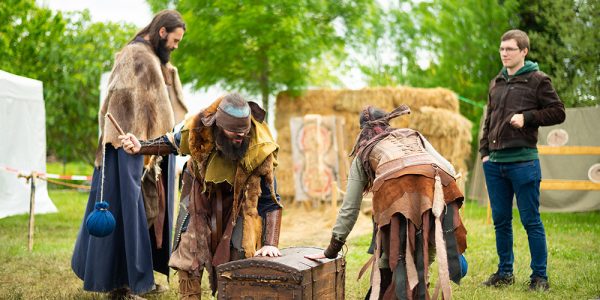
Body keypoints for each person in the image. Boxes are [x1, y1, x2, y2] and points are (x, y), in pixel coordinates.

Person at [71, 10, 188, 299]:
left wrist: (156, 146)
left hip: (152, 149)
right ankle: (120, 284)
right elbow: (118, 102)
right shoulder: (134, 54)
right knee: (126, 212)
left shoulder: (153, 58)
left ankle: (143, 278)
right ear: (162, 32)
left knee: (151, 213)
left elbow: (159, 103)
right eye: (174, 40)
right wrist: (131, 143)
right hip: (126, 148)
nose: (175, 46)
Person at [120, 93, 283, 299]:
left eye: (243, 131)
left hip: (240, 201)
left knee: (239, 256)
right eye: (233, 131)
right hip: (199, 192)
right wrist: (141, 146)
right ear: (218, 125)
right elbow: (171, 142)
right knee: (188, 253)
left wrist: (270, 243)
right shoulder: (198, 129)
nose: (239, 136)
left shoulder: (261, 148)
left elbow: (271, 200)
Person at [306, 105, 467, 299]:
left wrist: (332, 249)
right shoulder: (412, 135)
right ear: (387, 122)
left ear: (362, 130)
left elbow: (350, 207)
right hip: (437, 193)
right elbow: (448, 167)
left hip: (399, 198)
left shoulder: (364, 151)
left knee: (397, 261)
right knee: (421, 261)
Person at [479, 29, 565, 291]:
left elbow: (557, 112)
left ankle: (540, 277)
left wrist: (527, 117)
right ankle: (505, 273)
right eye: (502, 49)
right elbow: (489, 120)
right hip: (494, 164)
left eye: (510, 49)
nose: (504, 53)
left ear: (524, 51)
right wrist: (484, 153)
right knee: (501, 221)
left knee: (531, 220)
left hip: (523, 162)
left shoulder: (538, 80)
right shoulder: (496, 82)